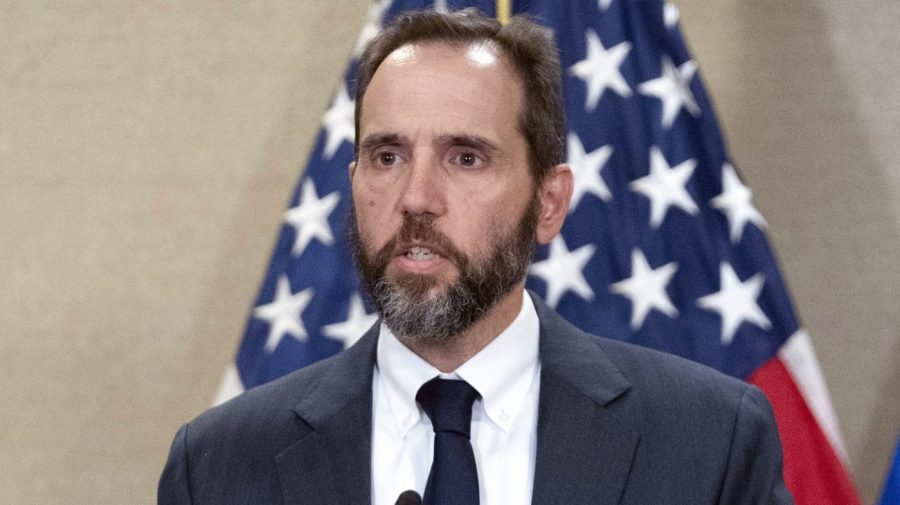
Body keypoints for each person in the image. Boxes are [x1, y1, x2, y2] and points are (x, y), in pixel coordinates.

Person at [159, 9, 793, 505]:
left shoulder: (709, 442)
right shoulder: (218, 465)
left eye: (466, 157)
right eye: (387, 156)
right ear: (352, 181)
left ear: (549, 203)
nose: (416, 198)